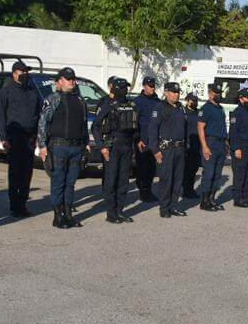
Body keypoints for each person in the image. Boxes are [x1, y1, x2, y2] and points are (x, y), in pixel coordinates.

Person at [38, 67, 90, 229]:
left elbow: (83, 124)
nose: (72, 81)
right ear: (59, 81)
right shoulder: (53, 99)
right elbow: (43, 122)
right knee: (58, 182)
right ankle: (58, 216)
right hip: (58, 147)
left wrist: (86, 143)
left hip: (76, 148)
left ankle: (68, 215)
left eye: (73, 78)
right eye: (68, 79)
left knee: (71, 183)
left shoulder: (80, 100)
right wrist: (42, 146)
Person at [0, 60, 41, 217]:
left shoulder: (32, 90)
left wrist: (37, 136)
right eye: (22, 72)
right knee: (15, 172)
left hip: (29, 137)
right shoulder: (6, 91)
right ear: (14, 73)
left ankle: (23, 203)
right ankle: (14, 205)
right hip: (14, 136)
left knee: (27, 172)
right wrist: (3, 137)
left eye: (27, 72)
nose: (25, 74)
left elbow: (38, 113)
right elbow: (0, 115)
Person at [93, 77, 138, 224]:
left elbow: (135, 127)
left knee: (124, 180)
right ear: (116, 89)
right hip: (113, 146)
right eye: (123, 87)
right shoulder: (108, 105)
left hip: (127, 146)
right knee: (111, 180)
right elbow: (96, 126)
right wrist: (102, 146)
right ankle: (111, 213)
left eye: (126, 87)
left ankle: (120, 211)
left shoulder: (131, 105)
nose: (126, 90)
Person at [149, 82, 188, 218]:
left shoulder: (180, 108)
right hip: (166, 150)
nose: (176, 95)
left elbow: (185, 129)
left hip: (179, 149)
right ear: (166, 92)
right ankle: (164, 208)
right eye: (173, 92)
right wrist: (155, 150)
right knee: (166, 180)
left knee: (177, 180)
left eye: (178, 92)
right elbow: (152, 130)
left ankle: (174, 206)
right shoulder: (159, 107)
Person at [197, 83, 227, 212]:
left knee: (217, 174)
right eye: (216, 93)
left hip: (220, 144)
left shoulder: (221, 108)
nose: (218, 95)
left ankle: (212, 199)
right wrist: (204, 146)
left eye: (219, 93)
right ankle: (204, 202)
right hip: (210, 143)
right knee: (209, 173)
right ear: (210, 94)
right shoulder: (206, 108)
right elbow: (200, 127)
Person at [133, 76, 161, 202]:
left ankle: (148, 190)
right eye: (150, 86)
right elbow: (134, 122)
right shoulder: (138, 101)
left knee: (152, 168)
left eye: (153, 85)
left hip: (154, 141)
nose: (152, 88)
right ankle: (143, 191)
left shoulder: (158, 101)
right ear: (144, 86)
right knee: (142, 167)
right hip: (142, 141)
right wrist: (138, 138)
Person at [182, 93, 201, 199]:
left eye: (196, 100)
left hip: (197, 145)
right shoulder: (183, 113)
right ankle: (186, 190)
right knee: (186, 169)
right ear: (187, 100)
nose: (194, 102)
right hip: (187, 145)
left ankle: (190, 189)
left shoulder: (198, 113)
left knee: (194, 169)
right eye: (192, 100)